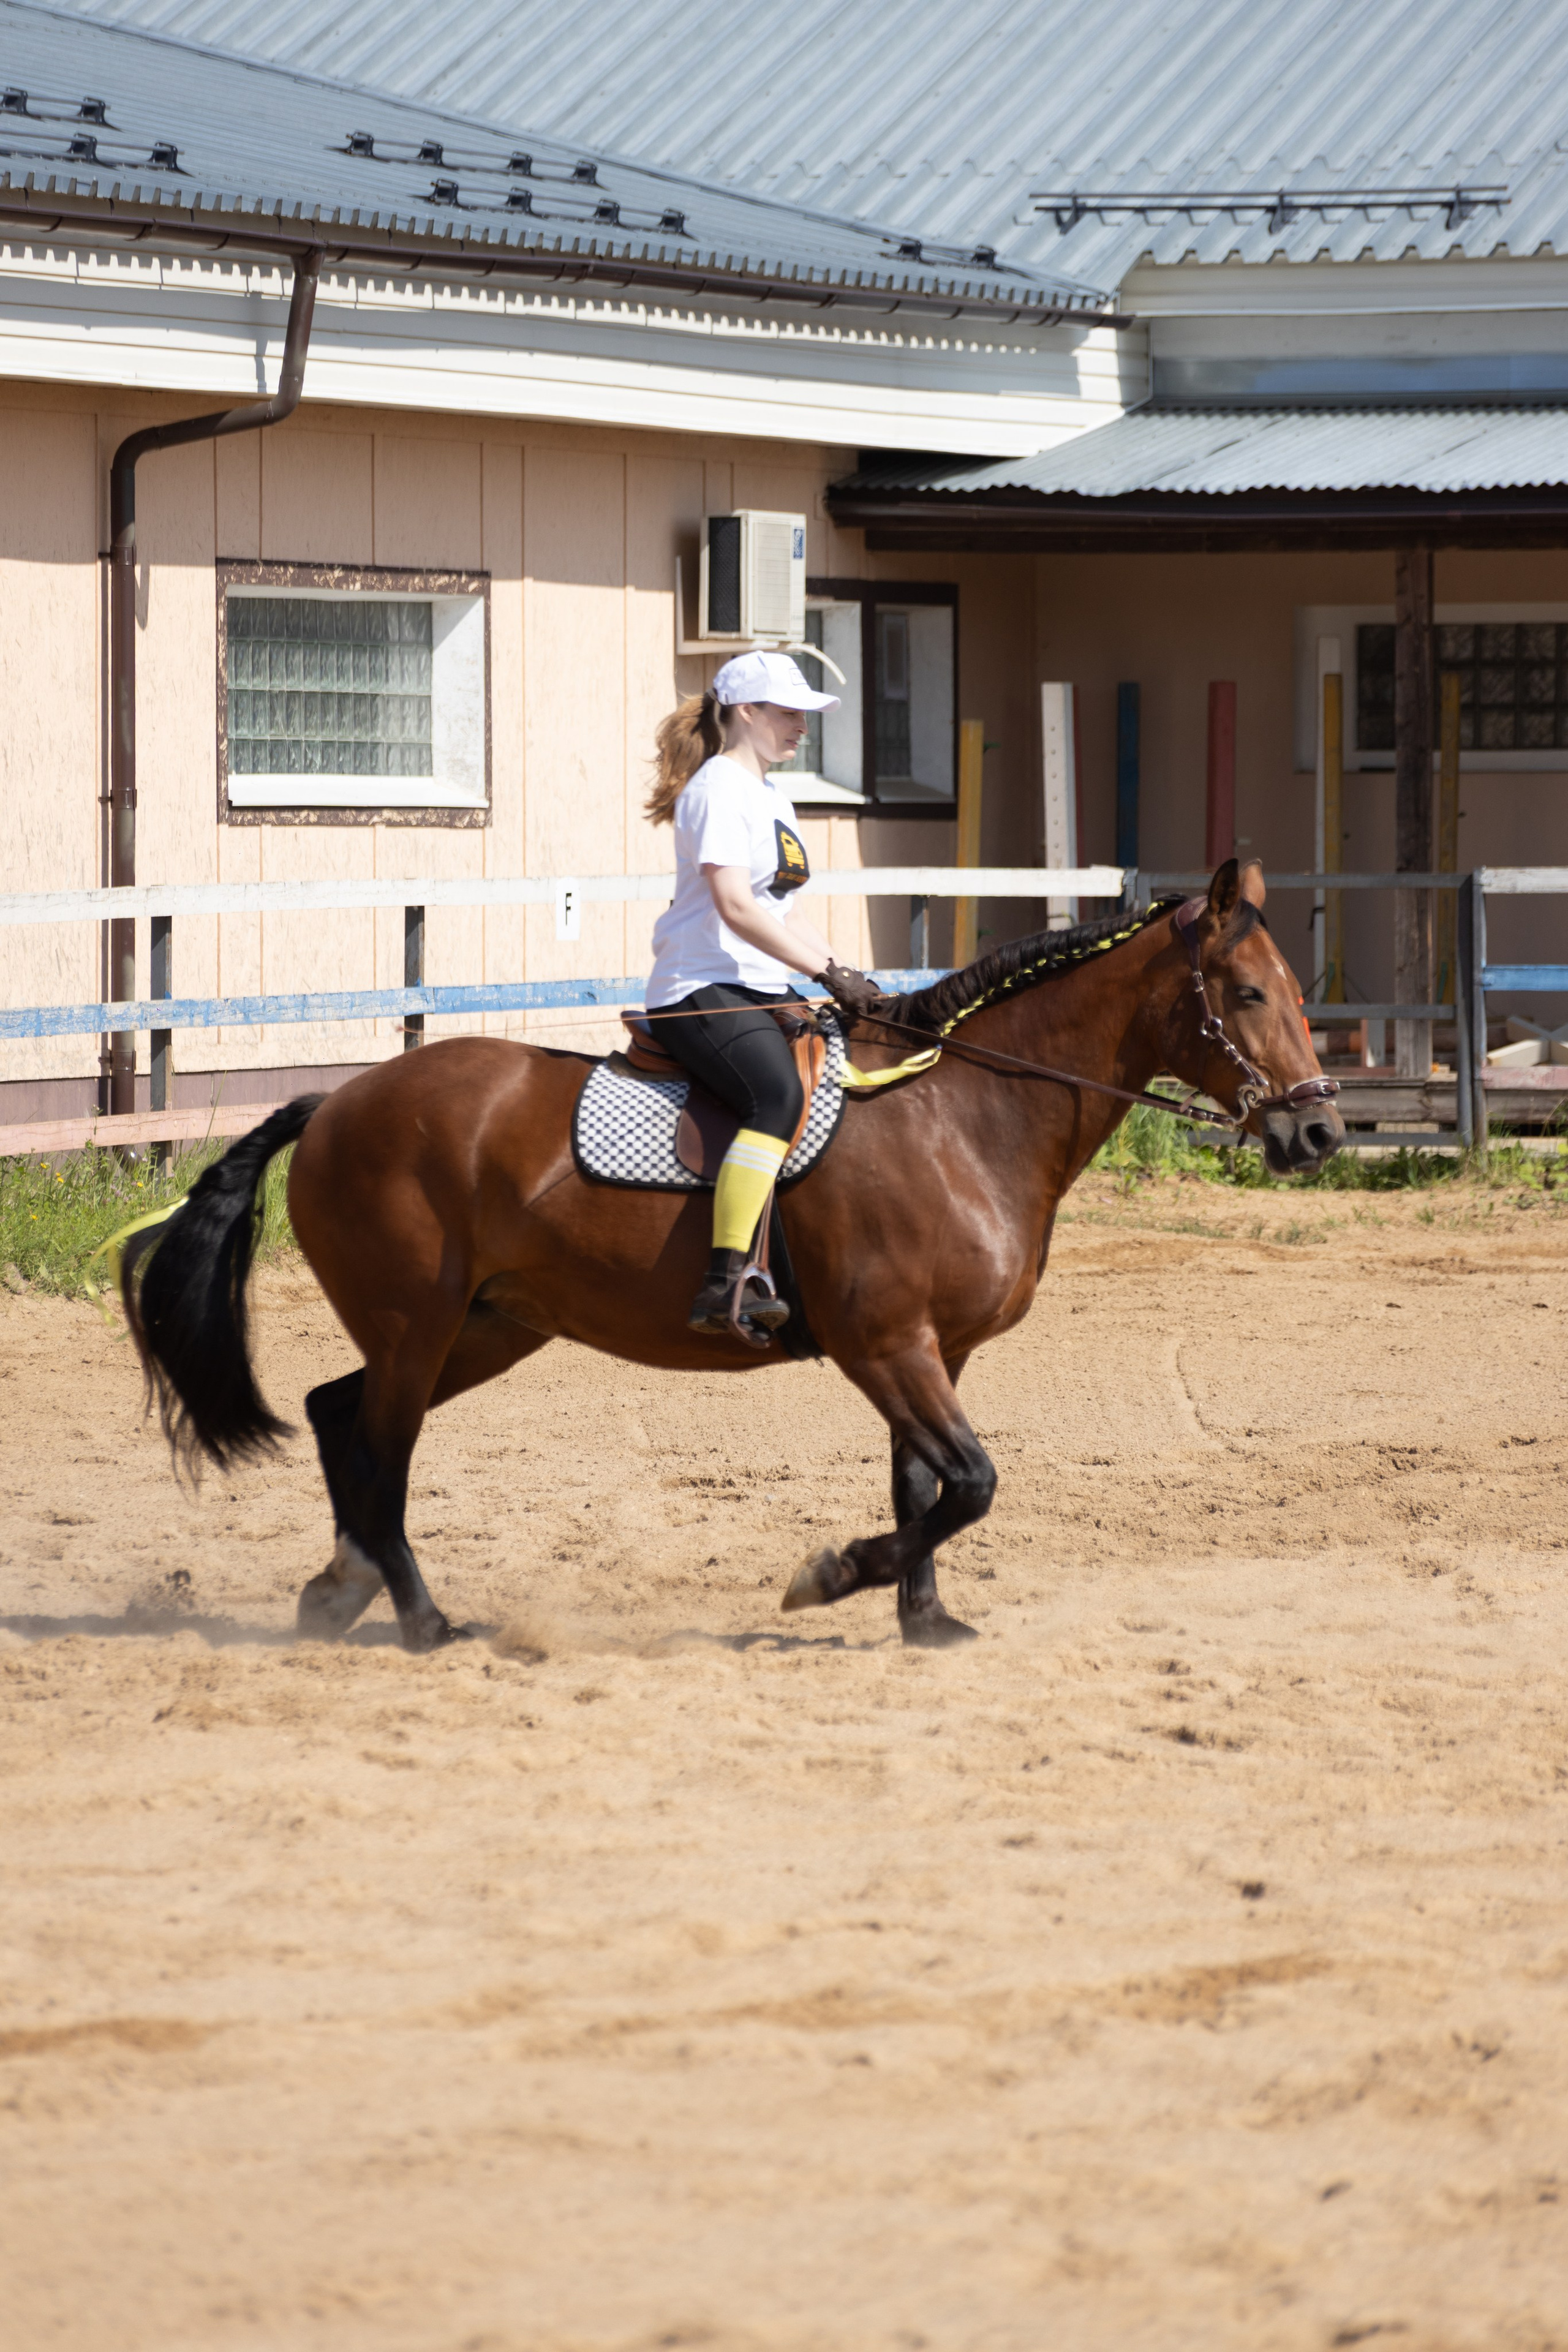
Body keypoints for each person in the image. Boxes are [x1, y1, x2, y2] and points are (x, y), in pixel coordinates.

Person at [644, 649, 883, 1341]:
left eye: (805, 718)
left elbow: (781, 910)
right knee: (775, 1097)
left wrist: (846, 974)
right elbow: (734, 908)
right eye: (789, 714)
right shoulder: (717, 789)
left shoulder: (774, 799)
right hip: (701, 988)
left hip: (759, 986)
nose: (802, 730)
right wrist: (819, 975)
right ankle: (724, 1282)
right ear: (745, 712)